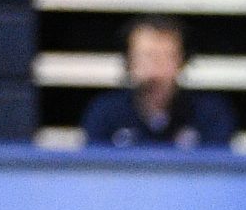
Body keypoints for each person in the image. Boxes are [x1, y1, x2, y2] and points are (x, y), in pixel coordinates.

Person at [82, 17, 236, 151]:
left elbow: (219, 174)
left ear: (181, 61)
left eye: (165, 57)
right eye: (147, 56)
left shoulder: (210, 114)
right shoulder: (105, 113)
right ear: (129, 61)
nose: (156, 67)